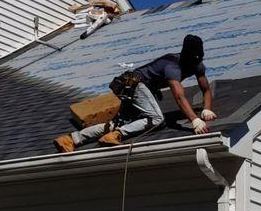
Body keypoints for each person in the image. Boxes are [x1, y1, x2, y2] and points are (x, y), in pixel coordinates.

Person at [54, 34, 217, 153]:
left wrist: (207, 109)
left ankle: (70, 139)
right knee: (157, 119)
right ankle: (116, 135)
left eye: (198, 58)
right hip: (135, 84)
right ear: (185, 55)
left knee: (115, 123)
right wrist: (194, 120)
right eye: (193, 59)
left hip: (131, 85)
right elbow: (179, 96)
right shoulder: (173, 66)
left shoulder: (198, 65)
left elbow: (206, 89)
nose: (195, 62)